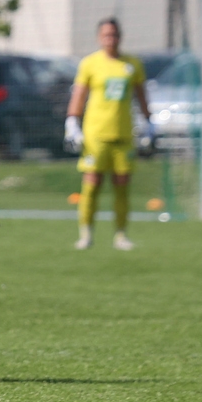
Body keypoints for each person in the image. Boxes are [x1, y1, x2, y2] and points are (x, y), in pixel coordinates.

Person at [64, 17, 153, 251]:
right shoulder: (90, 64)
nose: (110, 39)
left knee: (122, 185)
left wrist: (149, 121)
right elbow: (79, 96)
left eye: (113, 35)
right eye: (106, 35)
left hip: (123, 135)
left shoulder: (132, 64)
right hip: (96, 135)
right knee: (92, 184)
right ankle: (86, 234)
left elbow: (141, 95)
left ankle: (121, 235)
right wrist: (72, 122)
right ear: (99, 38)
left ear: (119, 37)